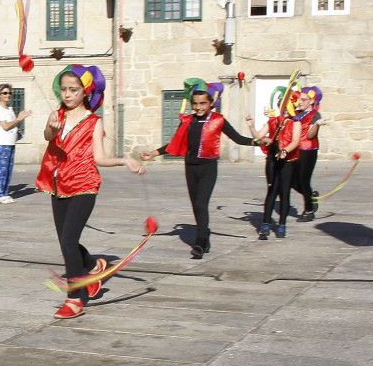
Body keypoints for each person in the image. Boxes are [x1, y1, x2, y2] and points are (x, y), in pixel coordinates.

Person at [35, 65, 143, 320]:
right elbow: (48, 136)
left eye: (73, 90)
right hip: (59, 185)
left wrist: (124, 160)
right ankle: (93, 268)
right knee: (65, 240)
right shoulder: (57, 116)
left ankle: (75, 298)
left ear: (85, 92)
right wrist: (51, 127)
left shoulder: (94, 122)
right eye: (64, 89)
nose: (68, 94)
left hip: (84, 185)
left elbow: (100, 158)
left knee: (69, 241)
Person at [140, 80, 257, 259]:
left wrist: (256, 141)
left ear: (211, 103)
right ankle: (205, 236)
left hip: (208, 167)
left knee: (202, 204)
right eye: (195, 103)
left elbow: (238, 138)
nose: (198, 107)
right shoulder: (187, 121)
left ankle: (200, 242)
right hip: (191, 167)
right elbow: (174, 142)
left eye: (203, 103)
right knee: (196, 206)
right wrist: (154, 153)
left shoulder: (218, 120)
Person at [247, 97, 302, 240]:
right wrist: (251, 126)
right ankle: (265, 224)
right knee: (271, 191)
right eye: (281, 103)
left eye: (286, 104)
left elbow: (295, 141)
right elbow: (258, 137)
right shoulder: (272, 121)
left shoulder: (295, 123)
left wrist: (285, 151)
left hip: (287, 161)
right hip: (272, 160)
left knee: (284, 192)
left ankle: (282, 224)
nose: (283, 106)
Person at [0, 83, 31, 204]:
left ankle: (5, 193)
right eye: (4, 93)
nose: (8, 95)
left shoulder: (9, 109)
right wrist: (19, 119)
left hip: (10, 143)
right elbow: (5, 126)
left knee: (8, 169)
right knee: (1, 170)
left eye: (9, 93)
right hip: (0, 144)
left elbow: (12, 126)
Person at [291, 86, 324, 222]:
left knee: (304, 180)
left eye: (304, 100)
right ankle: (311, 196)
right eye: (300, 99)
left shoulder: (315, 115)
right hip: (296, 149)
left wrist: (316, 125)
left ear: (311, 101)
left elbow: (310, 135)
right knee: (292, 181)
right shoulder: (297, 113)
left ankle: (309, 210)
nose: (300, 102)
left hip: (309, 150)